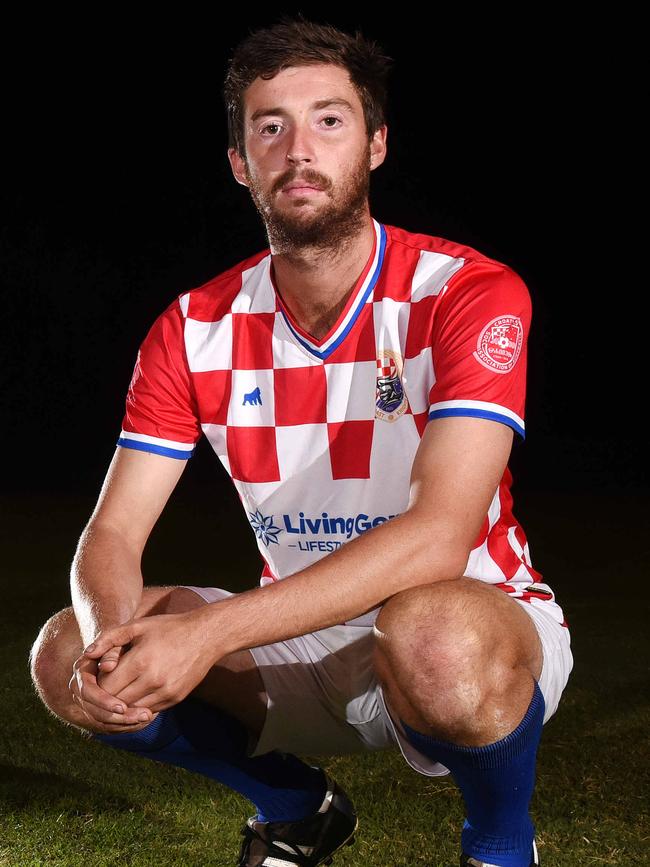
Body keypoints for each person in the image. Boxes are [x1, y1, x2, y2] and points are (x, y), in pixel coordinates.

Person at [29, 15, 573, 867]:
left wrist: (209, 632)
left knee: (432, 629)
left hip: (473, 619)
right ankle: (300, 809)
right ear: (241, 163)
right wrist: (110, 640)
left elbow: (440, 535)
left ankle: (501, 840)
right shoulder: (193, 325)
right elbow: (114, 531)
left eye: (329, 119)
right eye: (269, 126)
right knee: (64, 652)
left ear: (377, 145)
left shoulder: (466, 291)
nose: (298, 148)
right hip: (301, 627)